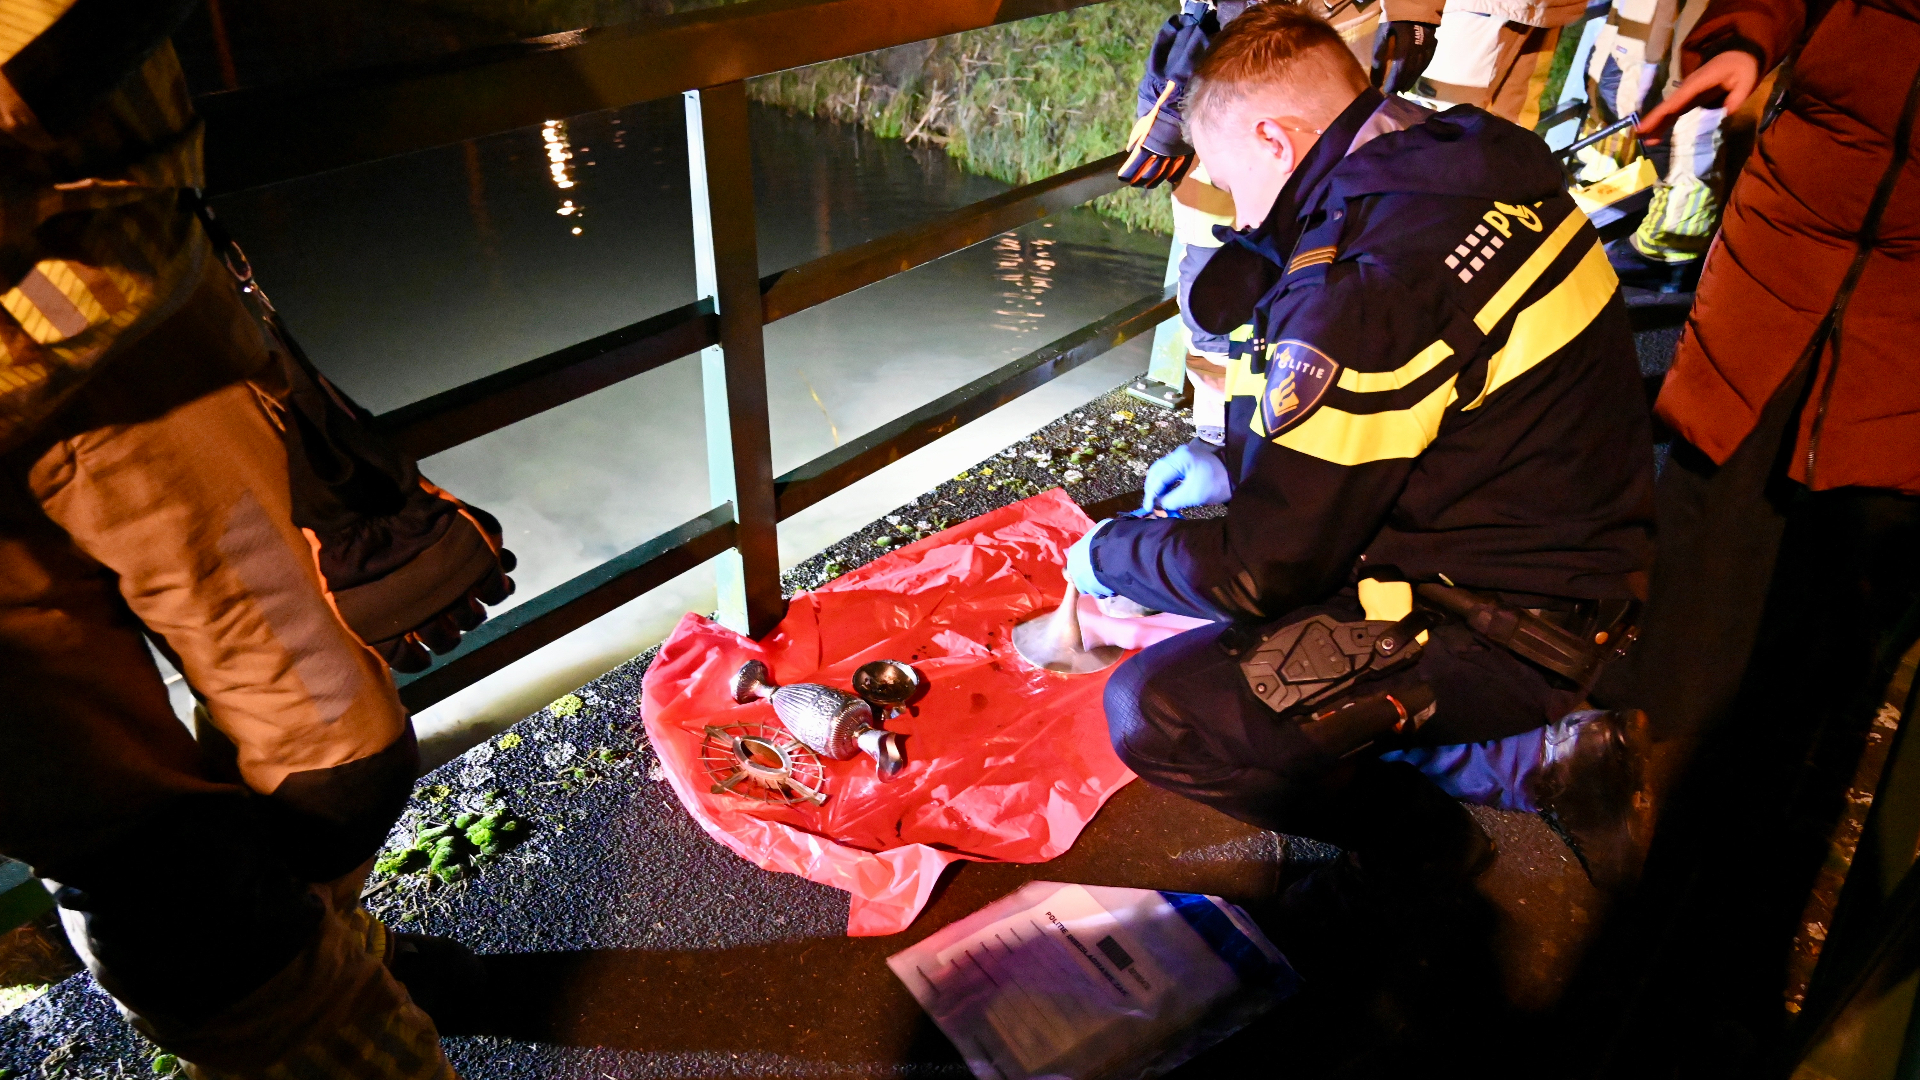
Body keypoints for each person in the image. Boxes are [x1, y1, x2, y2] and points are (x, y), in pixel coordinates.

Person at [1069, 4, 1659, 960]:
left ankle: (1422, 851)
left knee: (1166, 709)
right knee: (1258, 607)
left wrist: (1112, 555)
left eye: (1230, 182)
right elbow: (1419, 404)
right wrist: (1227, 460)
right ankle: (1547, 760)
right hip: (1573, 545)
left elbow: (1261, 571)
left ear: (1276, 135)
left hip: (1517, 619)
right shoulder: (1467, 150)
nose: (1242, 211)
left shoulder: (1363, 280)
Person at [0, 4, 513, 1075]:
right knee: (161, 872)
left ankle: (327, 966)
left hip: (122, 278)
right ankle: (310, 1020)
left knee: (344, 759)